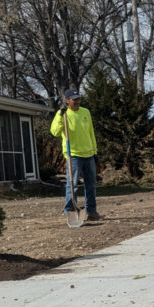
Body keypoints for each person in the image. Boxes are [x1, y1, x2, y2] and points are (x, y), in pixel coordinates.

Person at [50, 87, 101, 221]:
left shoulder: (86, 112)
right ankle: (70, 210)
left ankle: (91, 211)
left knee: (91, 184)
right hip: (73, 154)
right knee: (72, 184)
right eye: (74, 100)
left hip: (88, 153)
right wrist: (60, 116)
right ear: (67, 100)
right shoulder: (63, 114)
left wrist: (94, 151)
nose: (77, 101)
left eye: (78, 99)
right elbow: (55, 132)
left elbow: (91, 132)